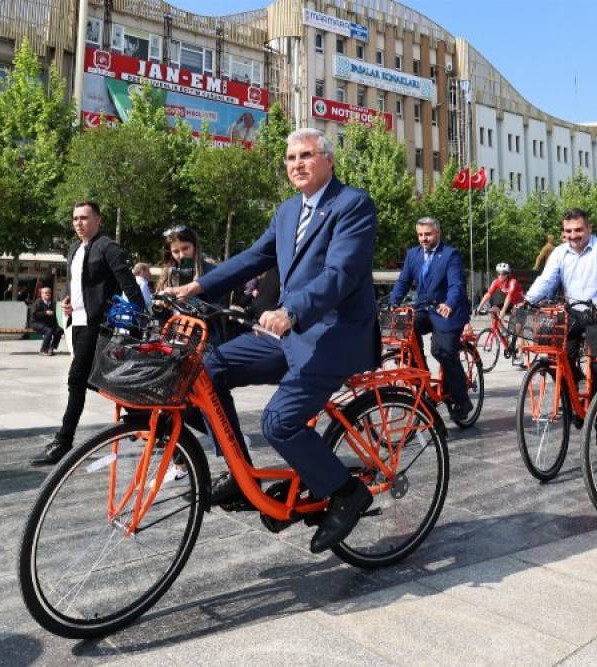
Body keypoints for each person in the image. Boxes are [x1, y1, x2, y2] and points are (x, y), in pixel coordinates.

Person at [166, 128, 380, 554]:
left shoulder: (352, 204)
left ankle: (346, 492)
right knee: (206, 369)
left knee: (278, 422)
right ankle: (240, 473)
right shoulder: (287, 211)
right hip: (288, 333)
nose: (296, 163)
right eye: (290, 157)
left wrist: (292, 311)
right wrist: (198, 287)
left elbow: (339, 274)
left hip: (333, 334)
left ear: (328, 160)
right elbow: (253, 257)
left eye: (306, 155)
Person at [31, 201, 144, 466]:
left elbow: (128, 284)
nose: (78, 223)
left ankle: (63, 441)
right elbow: (74, 283)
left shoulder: (108, 247)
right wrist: (66, 299)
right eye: (75, 219)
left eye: (84, 218)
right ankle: (143, 415)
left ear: (98, 220)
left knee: (77, 378)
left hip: (100, 323)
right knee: (95, 379)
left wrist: (143, 318)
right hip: (78, 323)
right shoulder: (74, 249)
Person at [389, 217, 473, 421]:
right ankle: (422, 377)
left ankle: (462, 399)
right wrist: (393, 302)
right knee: (405, 332)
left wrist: (449, 303)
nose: (423, 239)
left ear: (437, 233)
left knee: (442, 351)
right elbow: (403, 281)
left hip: (447, 311)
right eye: (420, 235)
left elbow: (456, 284)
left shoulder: (450, 254)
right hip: (424, 308)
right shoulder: (413, 254)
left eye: (428, 234)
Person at [524, 208, 597, 392]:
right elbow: (546, 279)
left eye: (578, 230)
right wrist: (528, 300)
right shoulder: (559, 252)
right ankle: (571, 398)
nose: (573, 235)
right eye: (568, 231)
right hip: (572, 313)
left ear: (589, 228)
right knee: (556, 357)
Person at [30, 286, 63, 356]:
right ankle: (43, 350)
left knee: (59, 330)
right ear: (42, 294)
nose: (48, 294)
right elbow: (34, 315)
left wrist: (56, 326)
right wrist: (45, 313)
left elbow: (54, 317)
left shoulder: (52, 303)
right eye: (46, 293)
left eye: (49, 293)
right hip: (36, 323)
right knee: (48, 331)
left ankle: (52, 348)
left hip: (48, 324)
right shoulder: (38, 302)